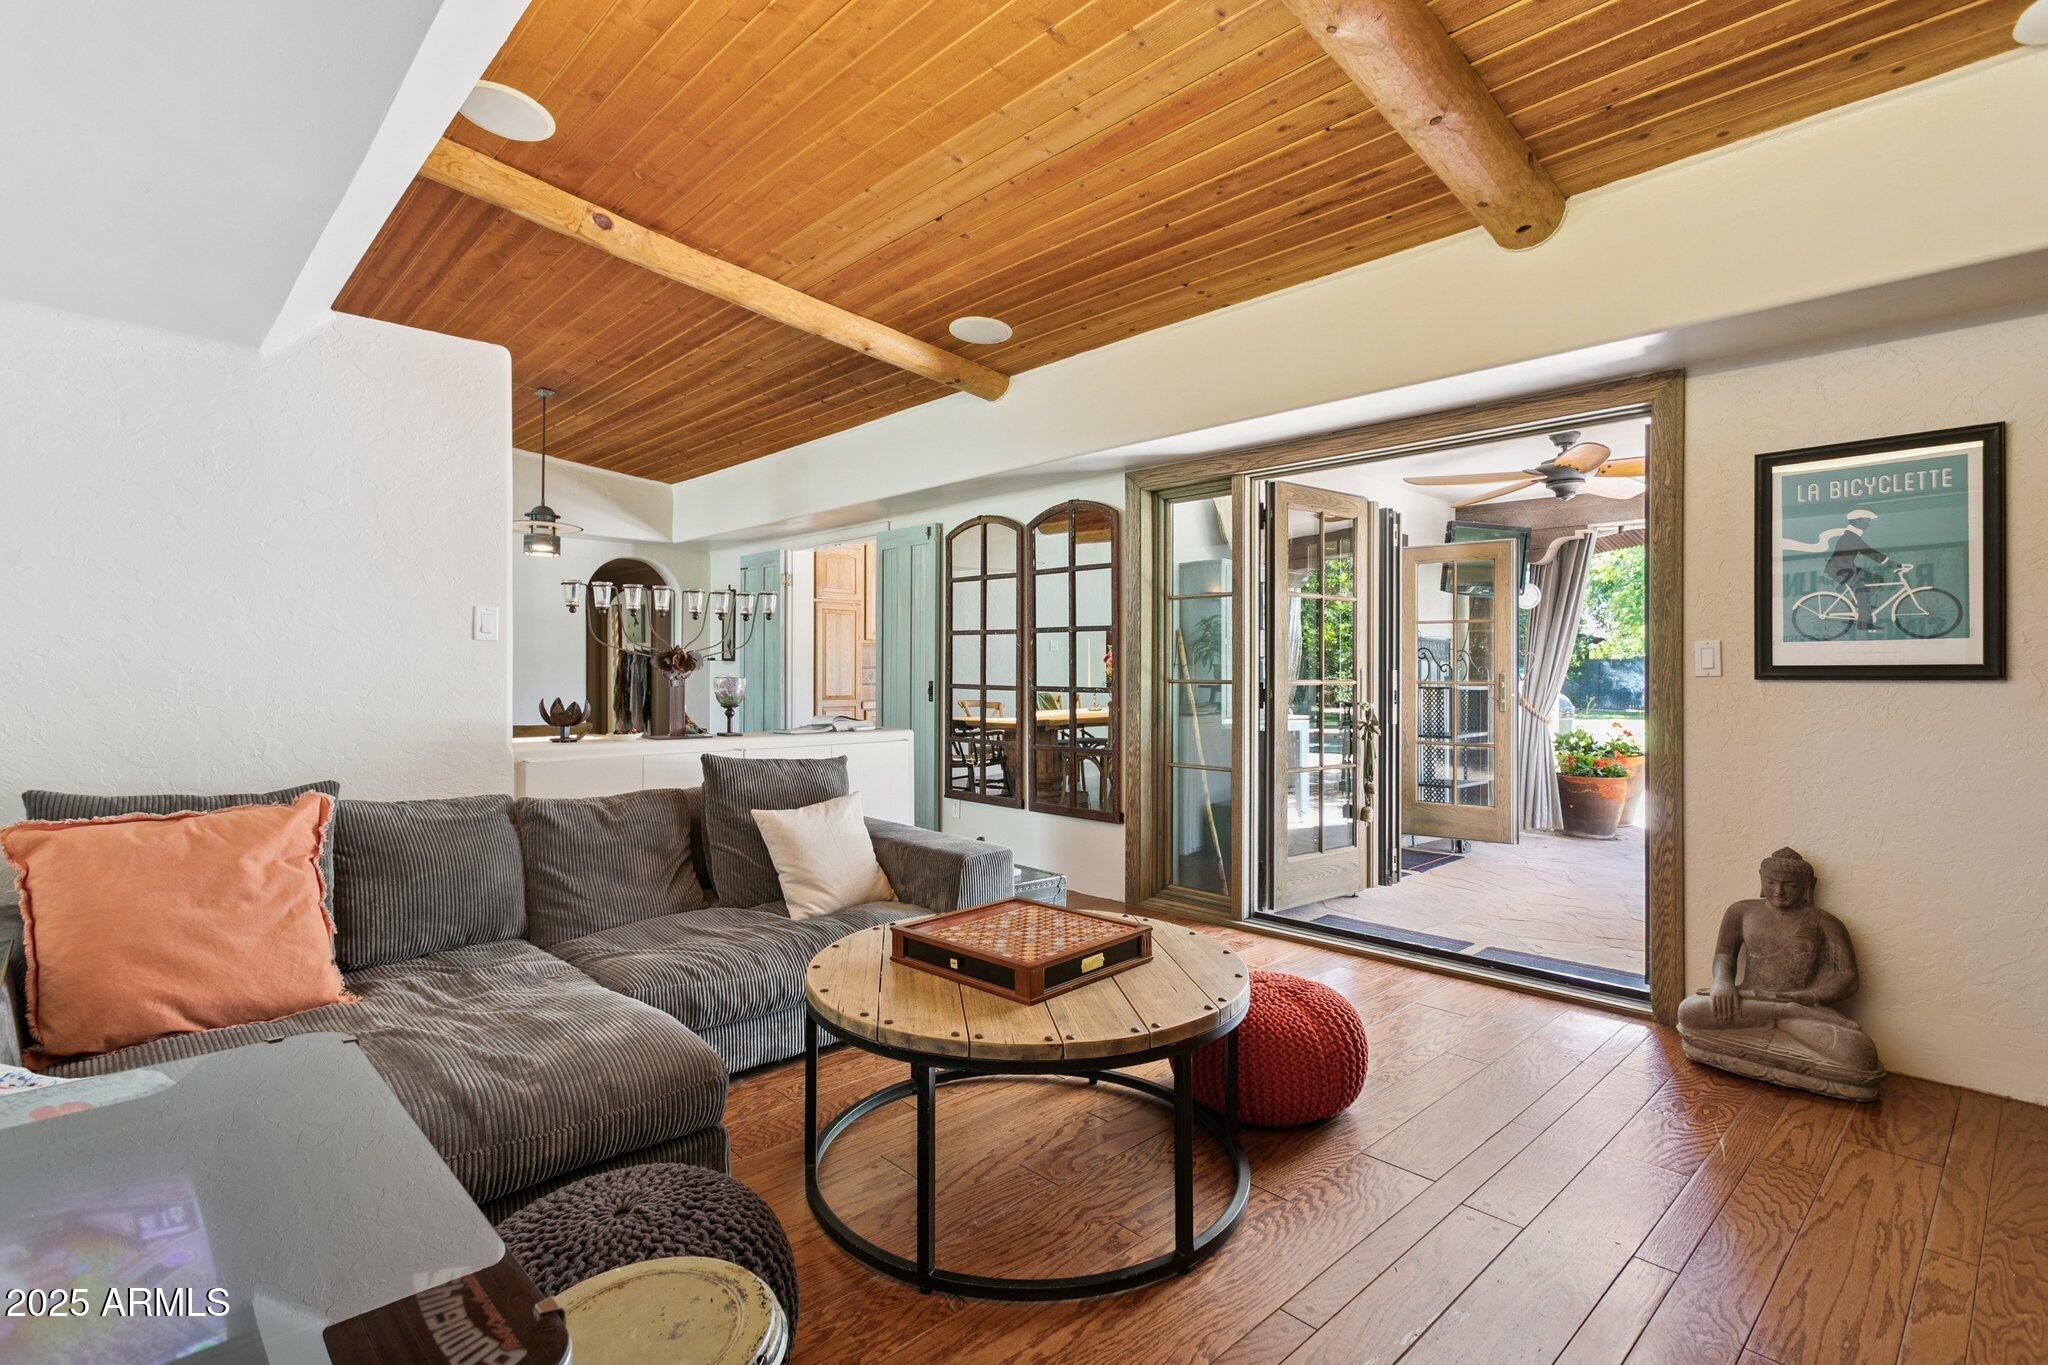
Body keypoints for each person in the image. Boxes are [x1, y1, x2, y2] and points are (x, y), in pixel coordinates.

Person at [1821, 508, 1899, 631]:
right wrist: (1894, 565)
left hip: (1845, 568)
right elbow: (1869, 552)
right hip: (1841, 570)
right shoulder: (1851, 537)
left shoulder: (1852, 536)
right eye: (1867, 521)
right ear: (1858, 521)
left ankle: (1858, 604)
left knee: (1876, 579)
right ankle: (1864, 623)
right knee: (1863, 592)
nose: (1868, 524)